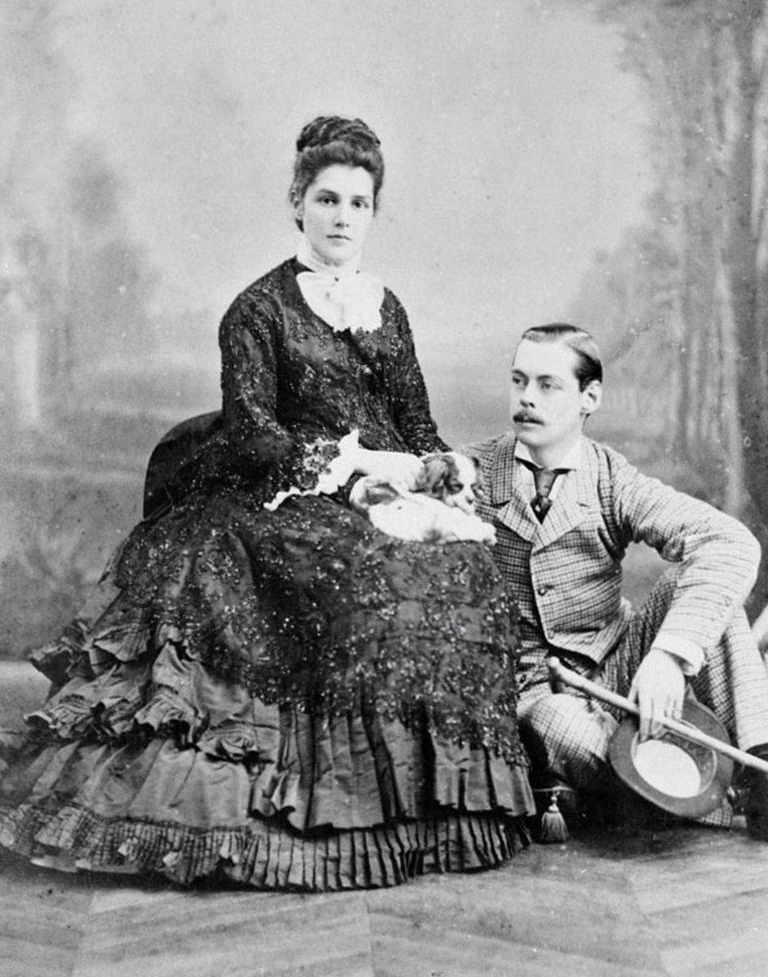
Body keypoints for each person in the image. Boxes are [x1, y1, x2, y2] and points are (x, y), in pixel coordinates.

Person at [0, 116, 533, 891]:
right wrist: (351, 481)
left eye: (359, 202)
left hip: (382, 484)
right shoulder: (257, 310)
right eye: (327, 199)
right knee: (362, 573)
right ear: (297, 203)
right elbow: (253, 434)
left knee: (469, 557)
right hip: (282, 488)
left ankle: (440, 808)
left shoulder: (388, 306)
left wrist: (435, 466)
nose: (344, 217)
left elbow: (415, 421)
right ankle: (334, 807)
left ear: (374, 212)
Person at [464, 322, 768, 838]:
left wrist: (669, 659)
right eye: (519, 381)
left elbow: (731, 542)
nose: (526, 399)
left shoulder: (610, 477)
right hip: (536, 687)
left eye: (547, 384)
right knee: (555, 723)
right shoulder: (473, 470)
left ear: (590, 397)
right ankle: (692, 799)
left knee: (693, 589)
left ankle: (760, 773)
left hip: (620, 662)